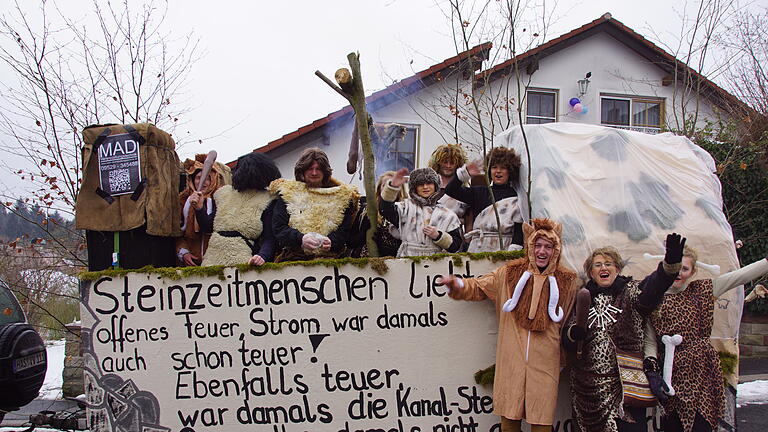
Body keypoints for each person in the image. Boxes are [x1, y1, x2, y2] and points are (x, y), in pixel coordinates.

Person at [439, 218, 578, 432]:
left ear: (556, 249)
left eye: (548, 247)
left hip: (546, 363)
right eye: (538, 245)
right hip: (511, 362)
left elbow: (570, 319)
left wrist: (566, 357)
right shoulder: (509, 274)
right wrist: (457, 283)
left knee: (541, 421)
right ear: (530, 247)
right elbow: (478, 287)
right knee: (509, 421)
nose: (542, 252)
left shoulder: (567, 280)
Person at [561, 234, 686, 432]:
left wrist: (669, 266)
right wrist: (573, 334)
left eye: (608, 263)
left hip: (625, 386)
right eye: (598, 265)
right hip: (587, 391)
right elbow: (566, 339)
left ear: (617, 269)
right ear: (591, 273)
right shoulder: (583, 298)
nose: (603, 268)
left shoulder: (631, 292)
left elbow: (653, 288)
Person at [645, 246, 768, 432]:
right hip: (669, 372)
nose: (678, 273)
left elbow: (741, 276)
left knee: (701, 424)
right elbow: (650, 339)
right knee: (672, 425)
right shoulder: (653, 296)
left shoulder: (705, 289)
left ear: (693, 271)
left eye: (684, 269)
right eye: (675, 268)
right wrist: (652, 370)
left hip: (702, 371)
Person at [270, 147, 359, 261]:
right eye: (310, 168)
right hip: (293, 259)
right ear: (302, 171)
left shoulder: (341, 197)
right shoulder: (288, 194)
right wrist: (300, 239)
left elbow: (345, 230)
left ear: (325, 171)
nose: (314, 173)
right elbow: (279, 228)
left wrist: (332, 241)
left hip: (332, 260)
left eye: (318, 169)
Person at [200, 153, 281, 266]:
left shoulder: (268, 199)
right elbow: (208, 226)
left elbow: (270, 238)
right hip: (211, 259)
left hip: (244, 260)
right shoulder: (224, 194)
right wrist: (199, 208)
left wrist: (263, 256)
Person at [445, 147, 523, 252]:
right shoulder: (479, 192)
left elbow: (519, 229)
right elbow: (451, 190)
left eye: (503, 168)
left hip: (504, 247)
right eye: (494, 167)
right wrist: (465, 174)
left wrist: (513, 252)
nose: (498, 171)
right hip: (479, 247)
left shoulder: (517, 196)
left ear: (510, 171)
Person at [380, 167, 462, 256]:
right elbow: (385, 209)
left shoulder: (447, 214)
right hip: (407, 259)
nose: (425, 187)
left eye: (429, 183)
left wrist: (439, 236)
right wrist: (393, 187)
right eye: (420, 184)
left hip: (435, 262)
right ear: (414, 188)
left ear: (436, 186)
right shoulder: (405, 208)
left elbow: (456, 246)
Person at [176, 154, 230, 266]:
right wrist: (183, 252)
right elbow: (177, 233)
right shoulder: (183, 200)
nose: (203, 182)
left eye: (207, 178)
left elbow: (210, 227)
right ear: (192, 180)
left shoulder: (220, 199)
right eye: (198, 178)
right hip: (190, 262)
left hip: (215, 261)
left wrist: (200, 208)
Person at [347, 171, 406, 257]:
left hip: (395, 263)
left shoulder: (405, 211)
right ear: (379, 188)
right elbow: (350, 242)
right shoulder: (365, 210)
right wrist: (365, 234)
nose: (387, 188)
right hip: (364, 263)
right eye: (384, 185)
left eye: (392, 184)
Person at [427, 144, 471, 227]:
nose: (448, 166)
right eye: (445, 162)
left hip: (454, 236)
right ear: (438, 163)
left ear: (458, 165)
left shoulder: (464, 191)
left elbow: (468, 221)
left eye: (452, 163)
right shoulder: (427, 187)